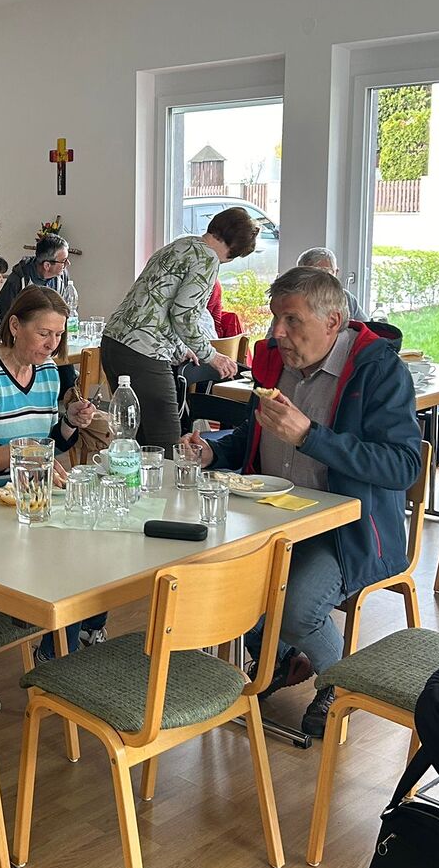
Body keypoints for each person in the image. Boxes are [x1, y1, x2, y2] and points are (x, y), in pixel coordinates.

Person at [181, 266, 420, 738]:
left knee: (297, 610)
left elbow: (403, 466)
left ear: (333, 322)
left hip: (349, 530)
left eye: (291, 320)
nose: (277, 332)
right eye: (275, 318)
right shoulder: (277, 361)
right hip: (273, 517)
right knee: (209, 577)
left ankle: (340, 682)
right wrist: (214, 451)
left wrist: (311, 436)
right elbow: (257, 434)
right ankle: (285, 659)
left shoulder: (379, 371)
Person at [0, 286, 103, 651]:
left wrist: (70, 422)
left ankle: (85, 632)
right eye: (44, 333)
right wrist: (23, 452)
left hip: (33, 498)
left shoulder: (47, 371)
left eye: (59, 335)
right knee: (70, 554)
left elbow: (50, 444)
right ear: (15, 326)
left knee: (98, 537)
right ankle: (56, 653)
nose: (52, 344)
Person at [100, 208, 256, 449]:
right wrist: (211, 356)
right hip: (144, 351)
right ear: (236, 248)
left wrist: (180, 349)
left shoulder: (180, 245)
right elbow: (184, 315)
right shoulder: (207, 259)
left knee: (135, 438)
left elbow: (159, 305)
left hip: (115, 342)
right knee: (166, 440)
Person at [0, 234, 77, 323]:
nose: (68, 263)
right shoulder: (18, 280)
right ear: (47, 265)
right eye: (63, 261)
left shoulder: (62, 275)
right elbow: (6, 317)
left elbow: (67, 310)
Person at [297, 247, 366, 320]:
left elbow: (366, 325)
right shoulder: (294, 298)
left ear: (336, 273)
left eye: (327, 272)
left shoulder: (347, 298)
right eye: (313, 273)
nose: (320, 279)